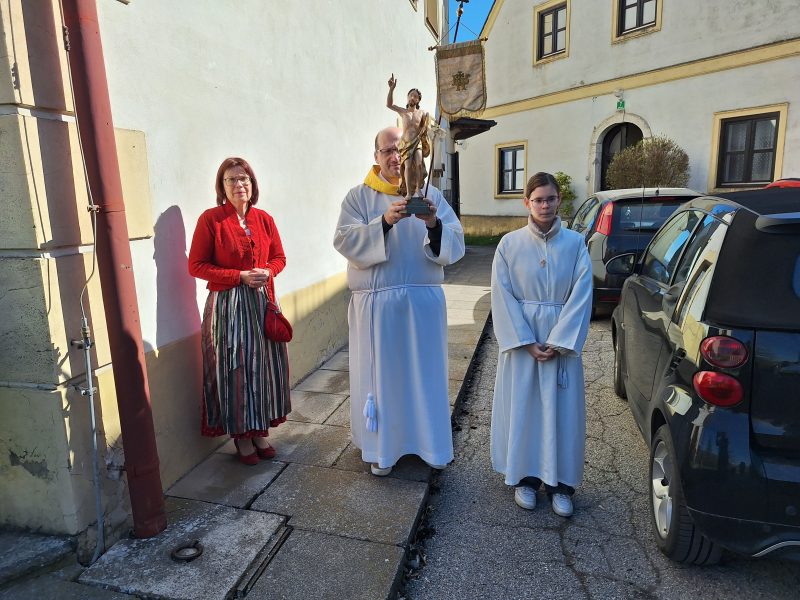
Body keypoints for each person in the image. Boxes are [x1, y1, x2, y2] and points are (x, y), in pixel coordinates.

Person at [333, 126, 465, 476]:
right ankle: (382, 450)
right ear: (376, 156)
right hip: (378, 308)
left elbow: (455, 242)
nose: (396, 157)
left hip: (422, 305)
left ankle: (430, 446)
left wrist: (433, 223)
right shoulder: (359, 197)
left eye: (402, 150)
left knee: (425, 376)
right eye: (389, 150)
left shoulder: (429, 193)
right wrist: (385, 222)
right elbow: (344, 241)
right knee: (384, 380)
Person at [490, 172, 592, 517]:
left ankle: (562, 485)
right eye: (538, 200)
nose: (544, 205)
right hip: (525, 344)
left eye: (550, 199)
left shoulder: (575, 244)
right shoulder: (509, 245)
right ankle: (527, 479)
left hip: (560, 343)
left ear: (558, 200)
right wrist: (526, 342)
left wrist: (560, 341)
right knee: (526, 408)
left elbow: (582, 293)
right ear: (527, 203)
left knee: (563, 413)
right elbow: (502, 295)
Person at [188, 157, 291, 465]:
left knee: (264, 369)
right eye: (231, 180)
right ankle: (242, 437)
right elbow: (196, 266)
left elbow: (280, 257)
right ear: (222, 187)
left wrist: (268, 271)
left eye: (243, 178)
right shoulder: (211, 220)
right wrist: (239, 276)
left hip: (262, 304)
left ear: (252, 183)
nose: (238, 184)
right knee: (237, 370)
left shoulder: (264, 219)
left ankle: (259, 432)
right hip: (228, 308)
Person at [386, 74, 430, 200]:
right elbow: (389, 104)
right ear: (407, 98)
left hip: (417, 142)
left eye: (415, 96)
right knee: (408, 166)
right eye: (410, 95)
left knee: (419, 164)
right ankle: (409, 193)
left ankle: (418, 190)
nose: (412, 97)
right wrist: (391, 89)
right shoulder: (403, 112)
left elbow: (424, 130)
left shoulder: (422, 113)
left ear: (418, 100)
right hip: (406, 143)